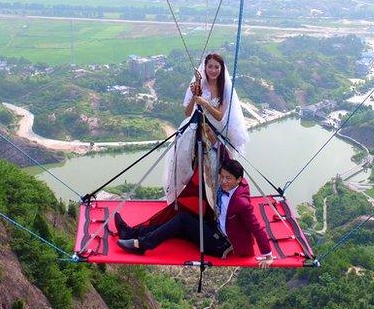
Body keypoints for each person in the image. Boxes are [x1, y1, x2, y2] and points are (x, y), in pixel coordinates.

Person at [117, 158, 274, 268]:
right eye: (222, 177)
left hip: (222, 245)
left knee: (182, 220)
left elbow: (256, 228)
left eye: (228, 178)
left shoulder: (241, 203)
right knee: (177, 225)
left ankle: (141, 245)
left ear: (239, 180)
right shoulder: (231, 186)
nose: (224, 181)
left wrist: (268, 256)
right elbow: (224, 161)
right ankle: (131, 233)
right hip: (215, 229)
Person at [164, 53, 249, 203]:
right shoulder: (199, 85)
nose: (213, 70)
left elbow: (219, 116)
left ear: (221, 69)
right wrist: (194, 97)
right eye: (210, 66)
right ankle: (187, 199)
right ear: (205, 67)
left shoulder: (224, 88)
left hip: (215, 130)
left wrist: (204, 103)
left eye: (217, 67)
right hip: (196, 125)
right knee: (185, 161)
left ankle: (216, 203)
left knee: (215, 168)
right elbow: (188, 112)